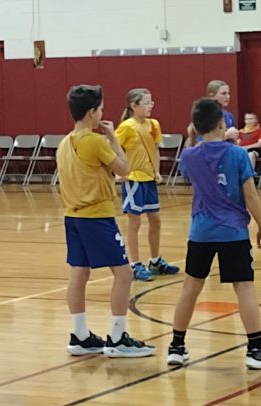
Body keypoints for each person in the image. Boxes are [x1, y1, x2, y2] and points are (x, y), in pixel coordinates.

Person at [168, 98, 261, 369]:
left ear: (196, 127)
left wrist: (190, 136)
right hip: (232, 230)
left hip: (200, 231)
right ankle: (255, 348)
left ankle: (176, 346)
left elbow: (191, 153)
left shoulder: (189, 156)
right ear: (222, 124)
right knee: (243, 287)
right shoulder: (237, 154)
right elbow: (250, 194)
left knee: (190, 288)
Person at [57, 84, 155, 358]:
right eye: (100, 109)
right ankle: (117, 338)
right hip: (96, 217)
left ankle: (80, 335)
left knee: (79, 272)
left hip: (72, 216)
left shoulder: (65, 143)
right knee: (124, 274)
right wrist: (112, 138)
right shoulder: (94, 141)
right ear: (92, 112)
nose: (103, 113)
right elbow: (125, 169)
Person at [115, 88, 179, 282]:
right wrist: (119, 172)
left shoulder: (154, 124)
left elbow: (155, 150)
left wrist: (157, 171)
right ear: (134, 106)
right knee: (135, 222)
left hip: (149, 179)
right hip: (133, 179)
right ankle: (134, 264)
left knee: (156, 221)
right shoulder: (127, 126)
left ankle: (155, 260)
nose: (150, 106)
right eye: (146, 102)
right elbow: (113, 148)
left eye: (152, 102)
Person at [186, 80, 240, 146]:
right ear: (212, 96)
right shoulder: (205, 115)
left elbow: (234, 140)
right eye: (223, 93)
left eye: (228, 93)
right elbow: (201, 143)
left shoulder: (229, 115)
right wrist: (227, 135)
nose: (227, 97)